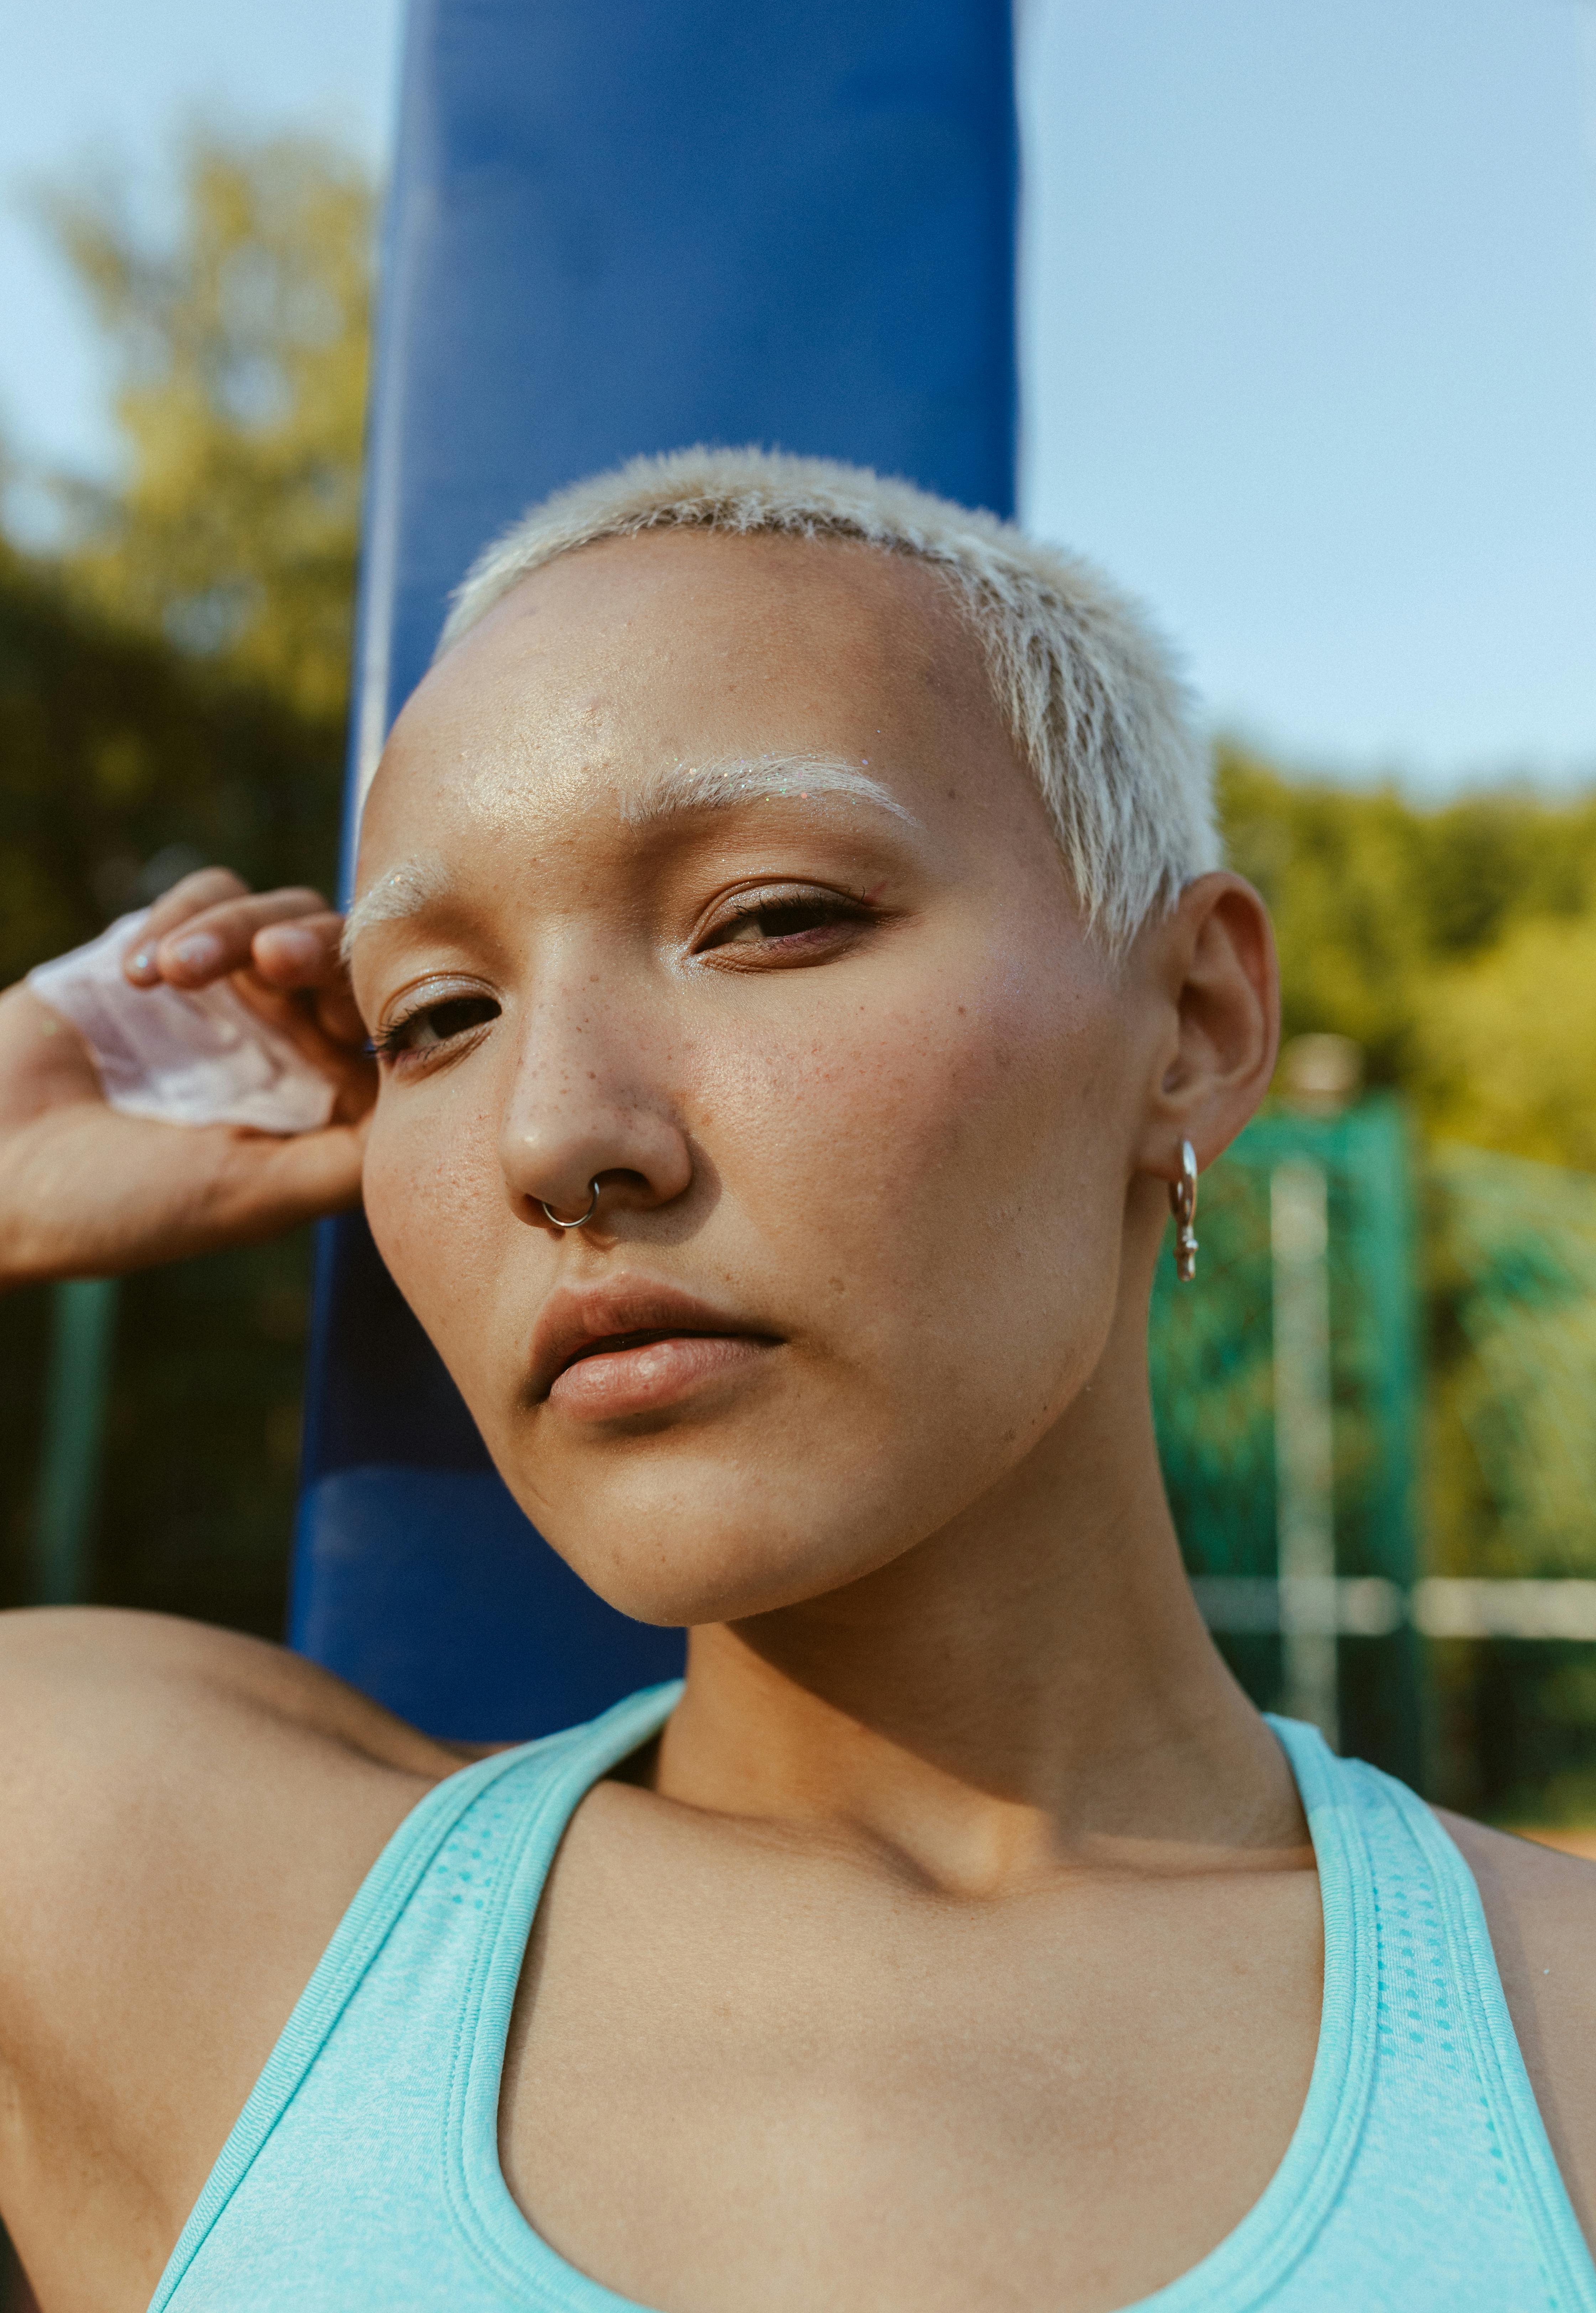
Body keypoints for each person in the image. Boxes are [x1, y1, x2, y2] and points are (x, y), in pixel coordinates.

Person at [0, 449, 1593, 2313]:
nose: (558, 1136)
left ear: (1198, 1023)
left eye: (769, 919)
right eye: (434, 1019)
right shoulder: (119, 1877)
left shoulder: (1560, 2061)